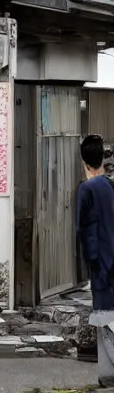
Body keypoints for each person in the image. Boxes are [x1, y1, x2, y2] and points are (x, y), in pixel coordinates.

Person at [77, 135, 114, 386]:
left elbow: (83, 230)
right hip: (111, 257)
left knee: (106, 320)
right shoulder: (111, 186)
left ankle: (109, 373)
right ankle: (106, 374)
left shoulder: (87, 189)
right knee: (106, 319)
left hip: (101, 263)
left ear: (85, 162)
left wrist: (87, 263)